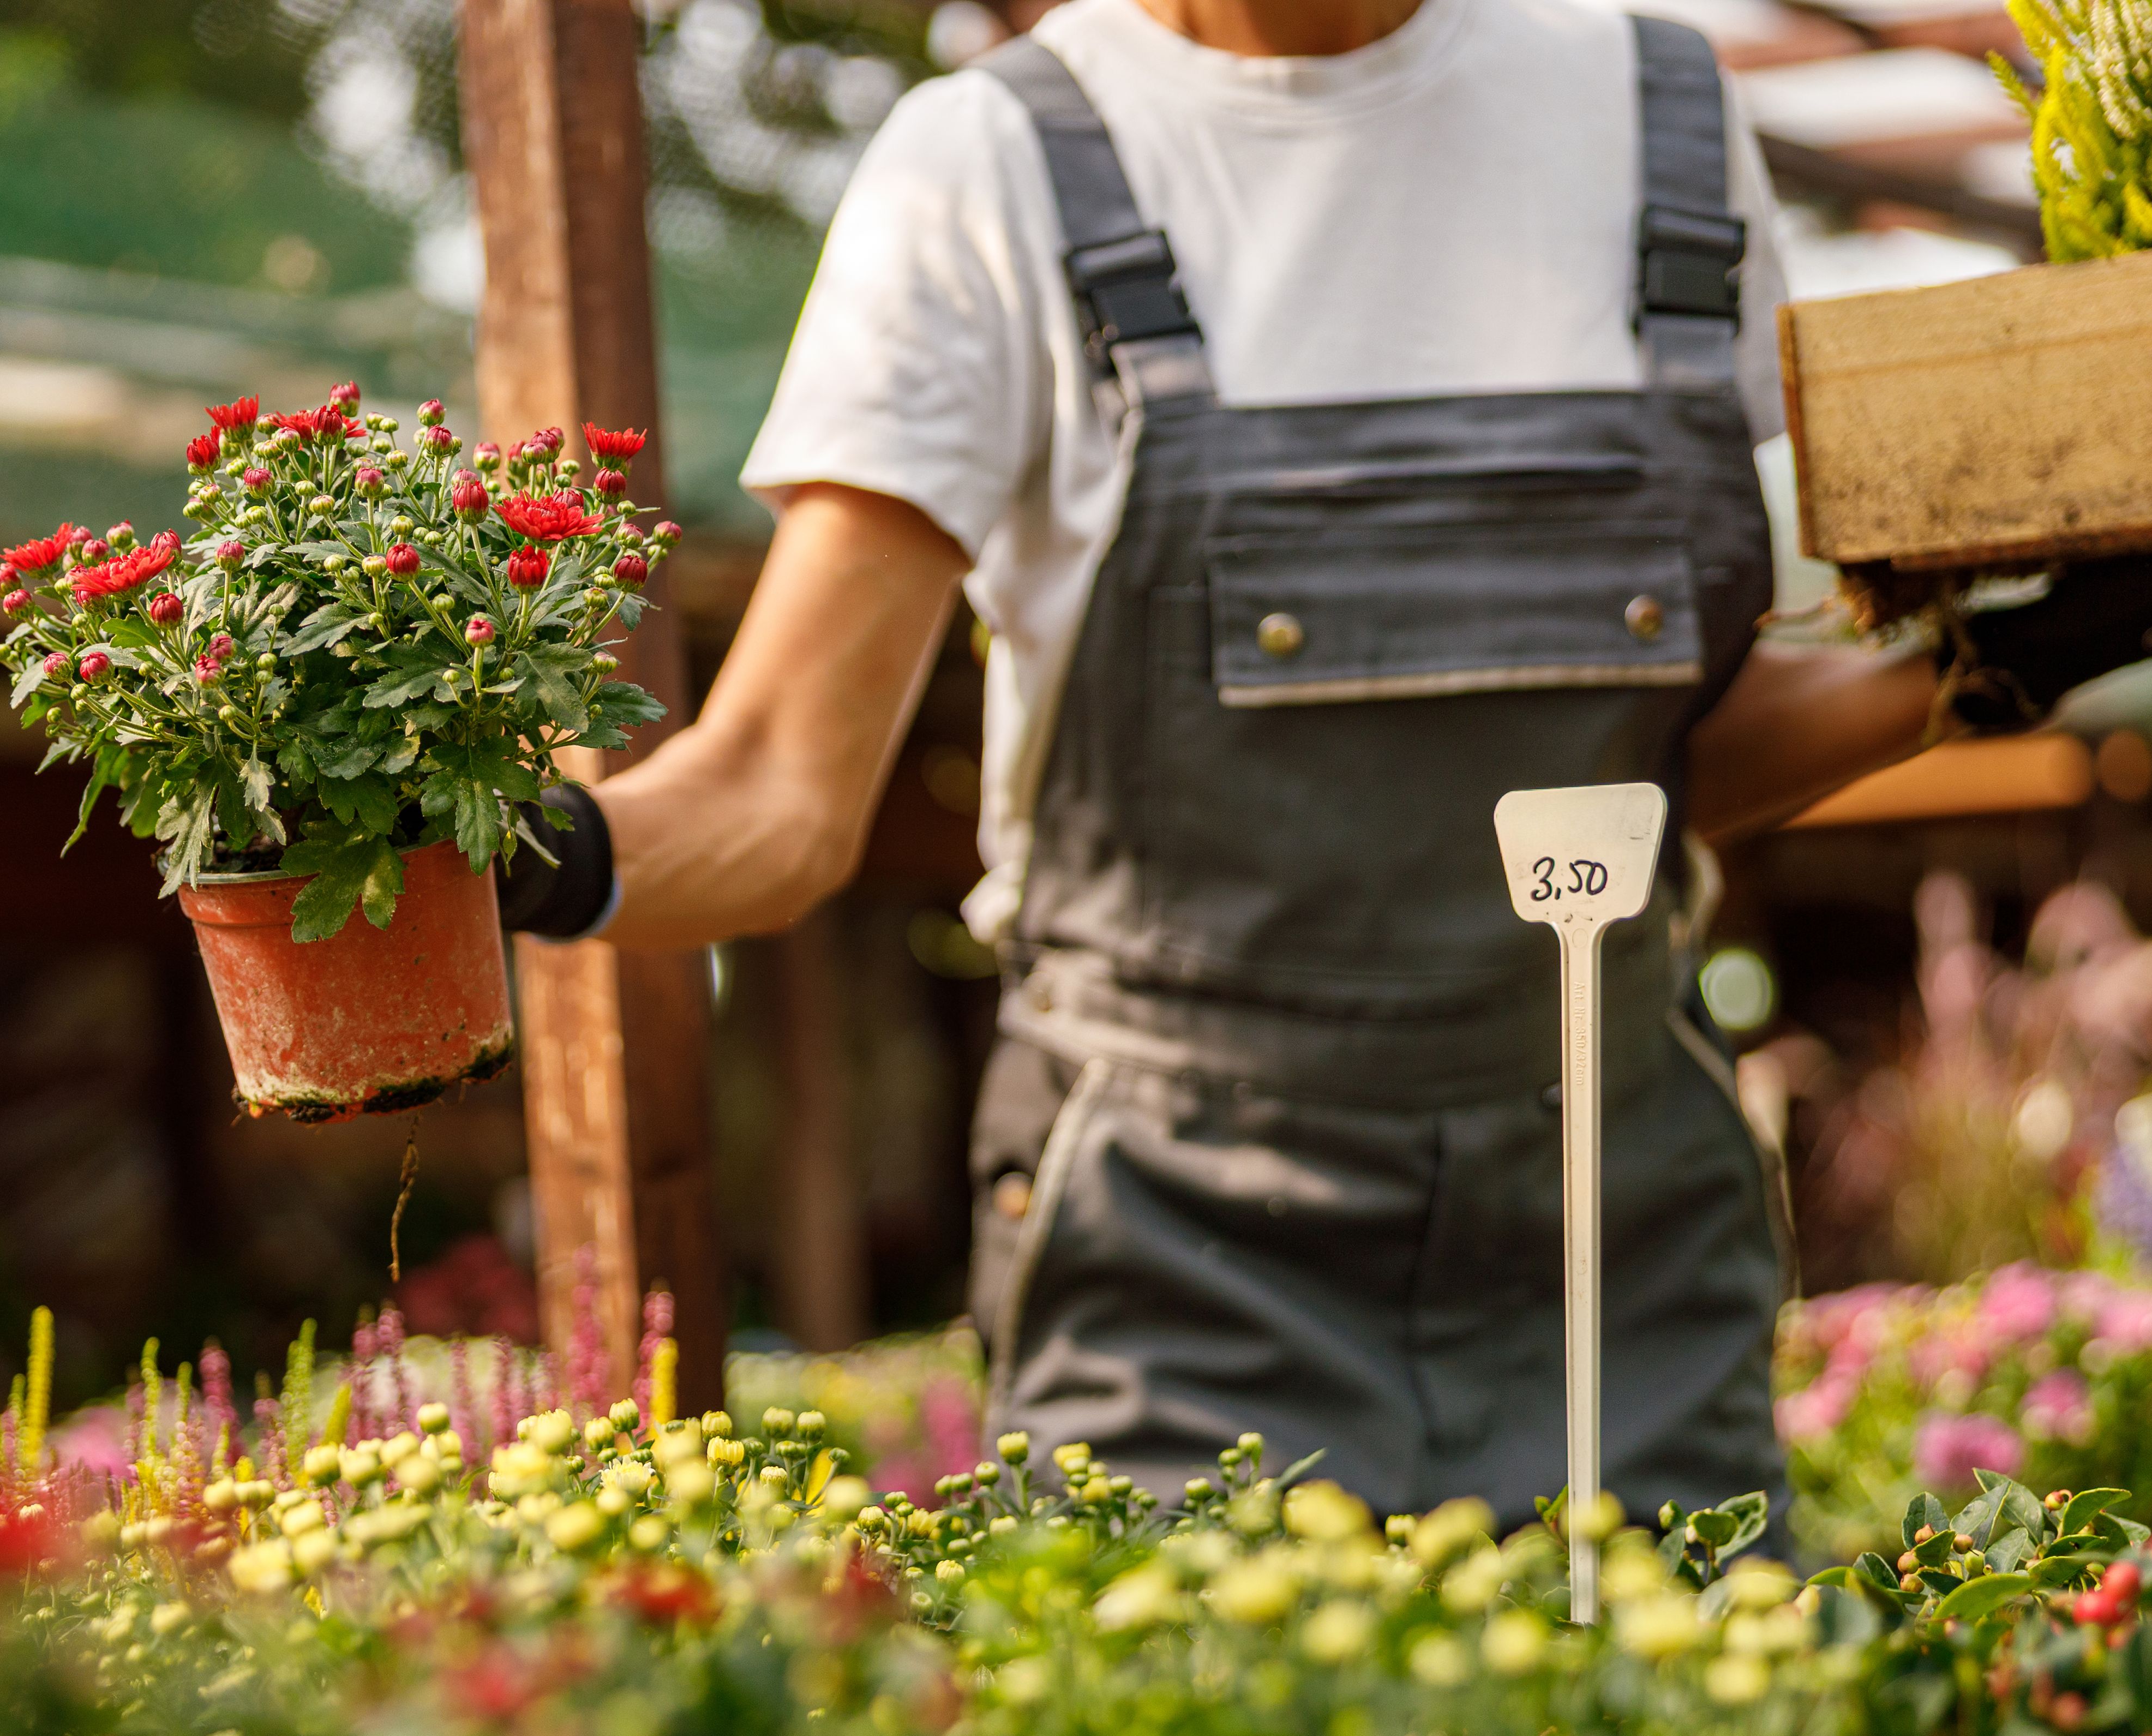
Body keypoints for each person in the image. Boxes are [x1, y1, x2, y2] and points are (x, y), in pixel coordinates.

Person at [496, 0, 1956, 1521]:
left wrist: (1990, 671)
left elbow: (1648, 760)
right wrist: (495, 852)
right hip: (1179, 1240)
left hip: (1613, 1219)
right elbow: (776, 795)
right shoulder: (992, 164)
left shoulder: (1659, 113)